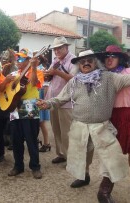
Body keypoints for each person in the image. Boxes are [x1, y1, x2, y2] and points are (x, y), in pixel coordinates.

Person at [37, 49, 130, 203]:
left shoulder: (109, 78)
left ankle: (104, 192)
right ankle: (84, 177)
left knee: (111, 158)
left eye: (89, 60)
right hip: (80, 126)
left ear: (95, 62)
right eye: (82, 61)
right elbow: (60, 99)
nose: (86, 63)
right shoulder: (74, 81)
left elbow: (129, 79)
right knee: (82, 156)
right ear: (79, 65)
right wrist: (47, 103)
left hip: (102, 126)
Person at [81, 45, 130, 195]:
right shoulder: (101, 75)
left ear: (120, 59)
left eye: (113, 56)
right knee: (109, 150)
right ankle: (107, 184)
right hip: (109, 116)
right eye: (107, 56)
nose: (109, 59)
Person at [0, 48, 44, 179]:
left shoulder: (37, 71)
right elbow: (1, 90)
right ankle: (18, 166)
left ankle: (35, 166)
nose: (18, 61)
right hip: (14, 109)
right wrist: (6, 81)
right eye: (18, 58)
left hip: (29, 108)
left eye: (22, 58)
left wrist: (34, 68)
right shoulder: (13, 74)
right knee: (16, 140)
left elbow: (35, 83)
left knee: (31, 140)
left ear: (29, 60)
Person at [43, 36, 77, 164]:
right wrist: (48, 75)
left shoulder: (73, 60)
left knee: (67, 132)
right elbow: (50, 77)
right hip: (53, 100)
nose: (56, 51)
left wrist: (56, 72)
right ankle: (61, 154)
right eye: (55, 49)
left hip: (66, 102)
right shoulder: (55, 60)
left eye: (59, 48)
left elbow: (73, 79)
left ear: (66, 47)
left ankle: (70, 158)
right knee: (56, 130)